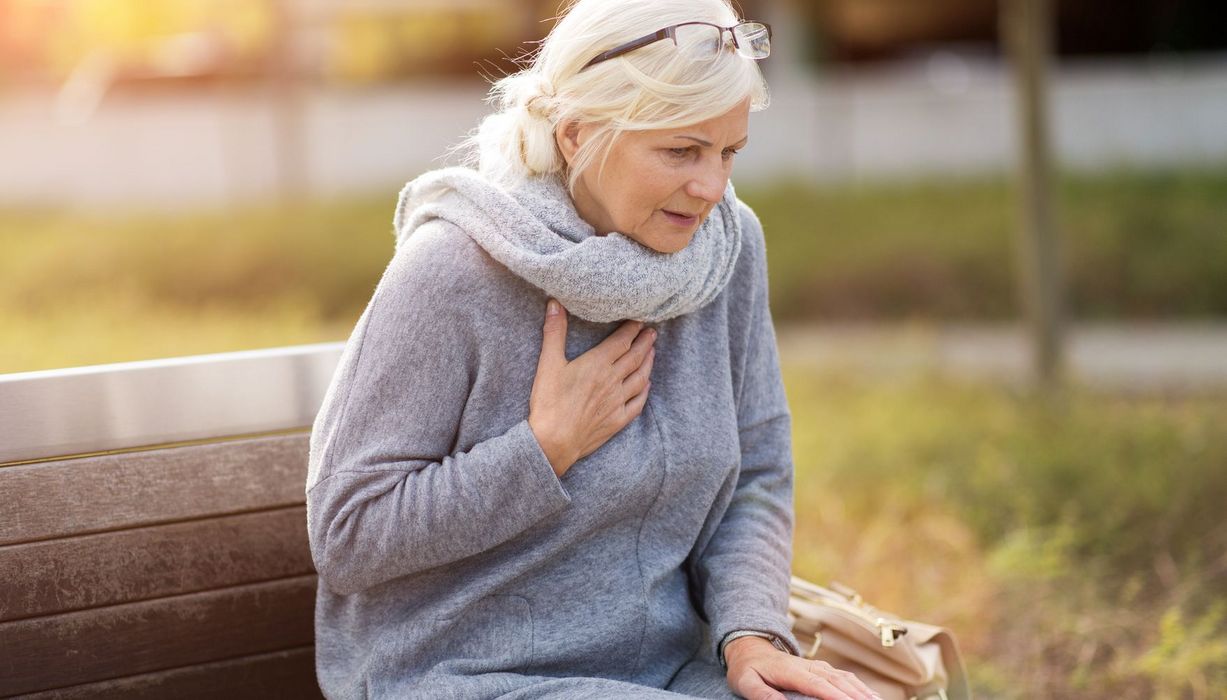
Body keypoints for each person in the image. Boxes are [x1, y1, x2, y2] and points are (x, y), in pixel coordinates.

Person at [306, 0, 880, 698]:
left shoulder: (725, 248)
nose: (711, 188)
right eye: (679, 151)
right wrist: (543, 448)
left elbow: (755, 472)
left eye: (728, 151)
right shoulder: (453, 269)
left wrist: (750, 634)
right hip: (464, 674)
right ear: (577, 134)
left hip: (665, 672)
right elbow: (348, 533)